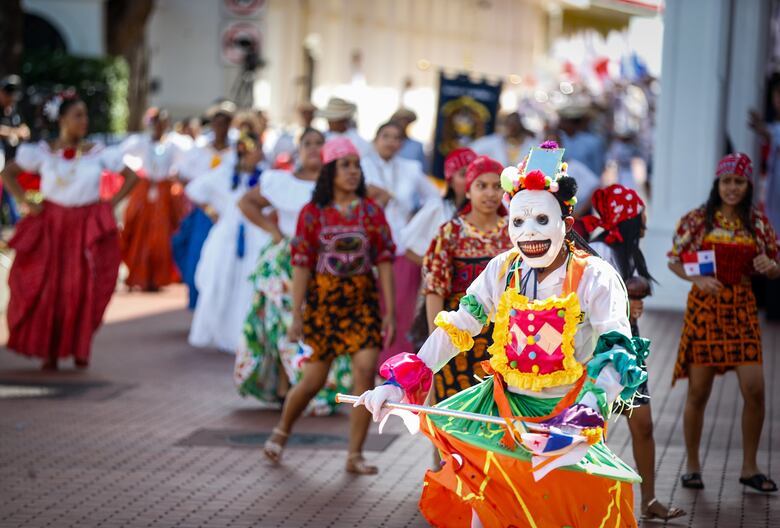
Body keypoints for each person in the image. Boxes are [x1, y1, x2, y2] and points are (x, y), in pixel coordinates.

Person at [357, 140, 648, 526]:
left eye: (542, 220)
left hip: (566, 424)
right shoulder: (502, 269)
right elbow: (460, 323)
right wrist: (399, 383)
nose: (529, 232)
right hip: (504, 417)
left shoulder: (595, 276)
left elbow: (618, 351)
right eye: (519, 221)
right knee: (490, 515)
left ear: (567, 224)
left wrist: (586, 414)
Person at [263, 137, 396, 475]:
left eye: (356, 165)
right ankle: (281, 431)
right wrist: (297, 314)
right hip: (324, 303)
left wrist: (390, 311)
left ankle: (355, 455)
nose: (353, 171)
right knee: (313, 380)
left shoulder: (371, 211)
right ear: (329, 171)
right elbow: (302, 264)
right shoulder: (313, 214)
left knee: (366, 372)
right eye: (345, 165)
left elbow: (384, 260)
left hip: (363, 303)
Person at [0, 92, 138, 370]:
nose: (84, 121)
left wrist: (110, 203)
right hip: (52, 227)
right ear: (61, 119)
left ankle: (79, 347)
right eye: (78, 115)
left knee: (83, 287)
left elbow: (131, 177)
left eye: (85, 115)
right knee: (48, 287)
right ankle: (49, 350)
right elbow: (8, 174)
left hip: (85, 227)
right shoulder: (42, 152)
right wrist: (26, 201)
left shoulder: (98, 152)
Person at [668, 153, 779, 493]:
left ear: (748, 185)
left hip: (743, 307)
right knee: (699, 391)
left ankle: (749, 467)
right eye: (727, 181)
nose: (733, 188)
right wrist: (697, 280)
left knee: (755, 390)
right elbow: (674, 260)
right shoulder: (697, 221)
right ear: (718, 184)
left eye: (739, 182)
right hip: (706, 308)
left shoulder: (757, 223)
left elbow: (775, 266)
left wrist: (768, 266)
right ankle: (692, 465)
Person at [585, 184, 685, 521]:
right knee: (590, 427)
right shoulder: (598, 248)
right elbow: (591, 300)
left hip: (627, 346)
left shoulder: (629, 250)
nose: (644, 225)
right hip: (600, 350)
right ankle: (586, 503)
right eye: (640, 218)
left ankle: (649, 501)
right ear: (626, 220)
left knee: (643, 425)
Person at [234, 128, 351, 414]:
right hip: (288, 261)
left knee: (322, 324)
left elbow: (370, 202)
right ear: (298, 149)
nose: (313, 148)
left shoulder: (337, 182)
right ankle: (289, 387)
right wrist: (274, 232)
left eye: (319, 143)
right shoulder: (280, 181)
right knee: (285, 325)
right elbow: (246, 202)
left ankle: (319, 386)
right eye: (307, 144)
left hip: (326, 262)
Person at [423, 155, 512, 402]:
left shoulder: (514, 231)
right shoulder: (451, 232)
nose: (490, 193)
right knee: (450, 415)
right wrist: (436, 340)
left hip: (503, 341)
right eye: (481, 185)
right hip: (459, 335)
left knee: (498, 415)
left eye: (497, 186)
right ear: (469, 190)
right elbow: (435, 289)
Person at [363, 121, 440, 363]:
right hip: (367, 247)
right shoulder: (361, 167)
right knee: (371, 307)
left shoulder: (411, 168)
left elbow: (435, 198)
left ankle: (394, 367)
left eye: (396, 138)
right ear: (376, 139)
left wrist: (418, 222)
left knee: (400, 307)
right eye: (386, 136)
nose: (391, 142)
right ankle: (367, 364)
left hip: (402, 247)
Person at [185, 131, 268, 353]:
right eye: (256, 149)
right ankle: (217, 331)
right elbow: (194, 190)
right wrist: (212, 211)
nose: (260, 153)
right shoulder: (223, 173)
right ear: (244, 151)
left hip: (256, 235)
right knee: (218, 280)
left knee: (249, 284)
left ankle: (242, 334)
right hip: (227, 235)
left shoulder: (265, 177)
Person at [172, 102, 237, 309]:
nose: (221, 127)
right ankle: (198, 302)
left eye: (225, 122)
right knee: (195, 257)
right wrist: (197, 194)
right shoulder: (199, 151)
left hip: (227, 213)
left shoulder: (236, 152)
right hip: (202, 213)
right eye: (217, 122)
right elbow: (180, 175)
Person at [120, 108, 187, 291]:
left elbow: (186, 161)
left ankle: (158, 277)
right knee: (138, 230)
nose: (159, 127)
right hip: (145, 190)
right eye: (157, 122)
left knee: (162, 235)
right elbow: (120, 154)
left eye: (163, 123)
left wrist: (177, 177)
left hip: (164, 193)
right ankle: (139, 274)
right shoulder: (141, 142)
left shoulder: (173, 145)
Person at [0, 75, 30, 225]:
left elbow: (24, 128)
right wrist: (13, 131)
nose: (10, 98)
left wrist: (20, 132)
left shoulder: (13, 110)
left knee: (10, 193)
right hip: (1, 162)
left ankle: (17, 226)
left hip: (10, 162)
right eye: (8, 94)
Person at [469, 112, 536, 167]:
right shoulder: (494, 141)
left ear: (521, 127)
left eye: (514, 125)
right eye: (509, 125)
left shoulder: (532, 144)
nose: (512, 129)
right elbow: (472, 150)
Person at [391, 107, 427, 172]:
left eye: (406, 121)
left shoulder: (417, 146)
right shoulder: (384, 144)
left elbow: (422, 171)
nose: (402, 124)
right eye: (399, 120)